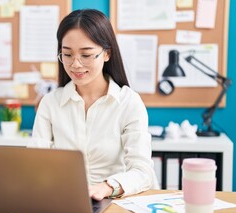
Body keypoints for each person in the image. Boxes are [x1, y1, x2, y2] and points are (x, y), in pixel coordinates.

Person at [30, 9, 159, 200]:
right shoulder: (50, 103)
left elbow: (142, 172)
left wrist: (107, 187)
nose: (75, 64)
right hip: (64, 200)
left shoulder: (128, 102)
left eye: (86, 55)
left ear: (106, 54)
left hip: (114, 203)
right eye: (67, 54)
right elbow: (35, 163)